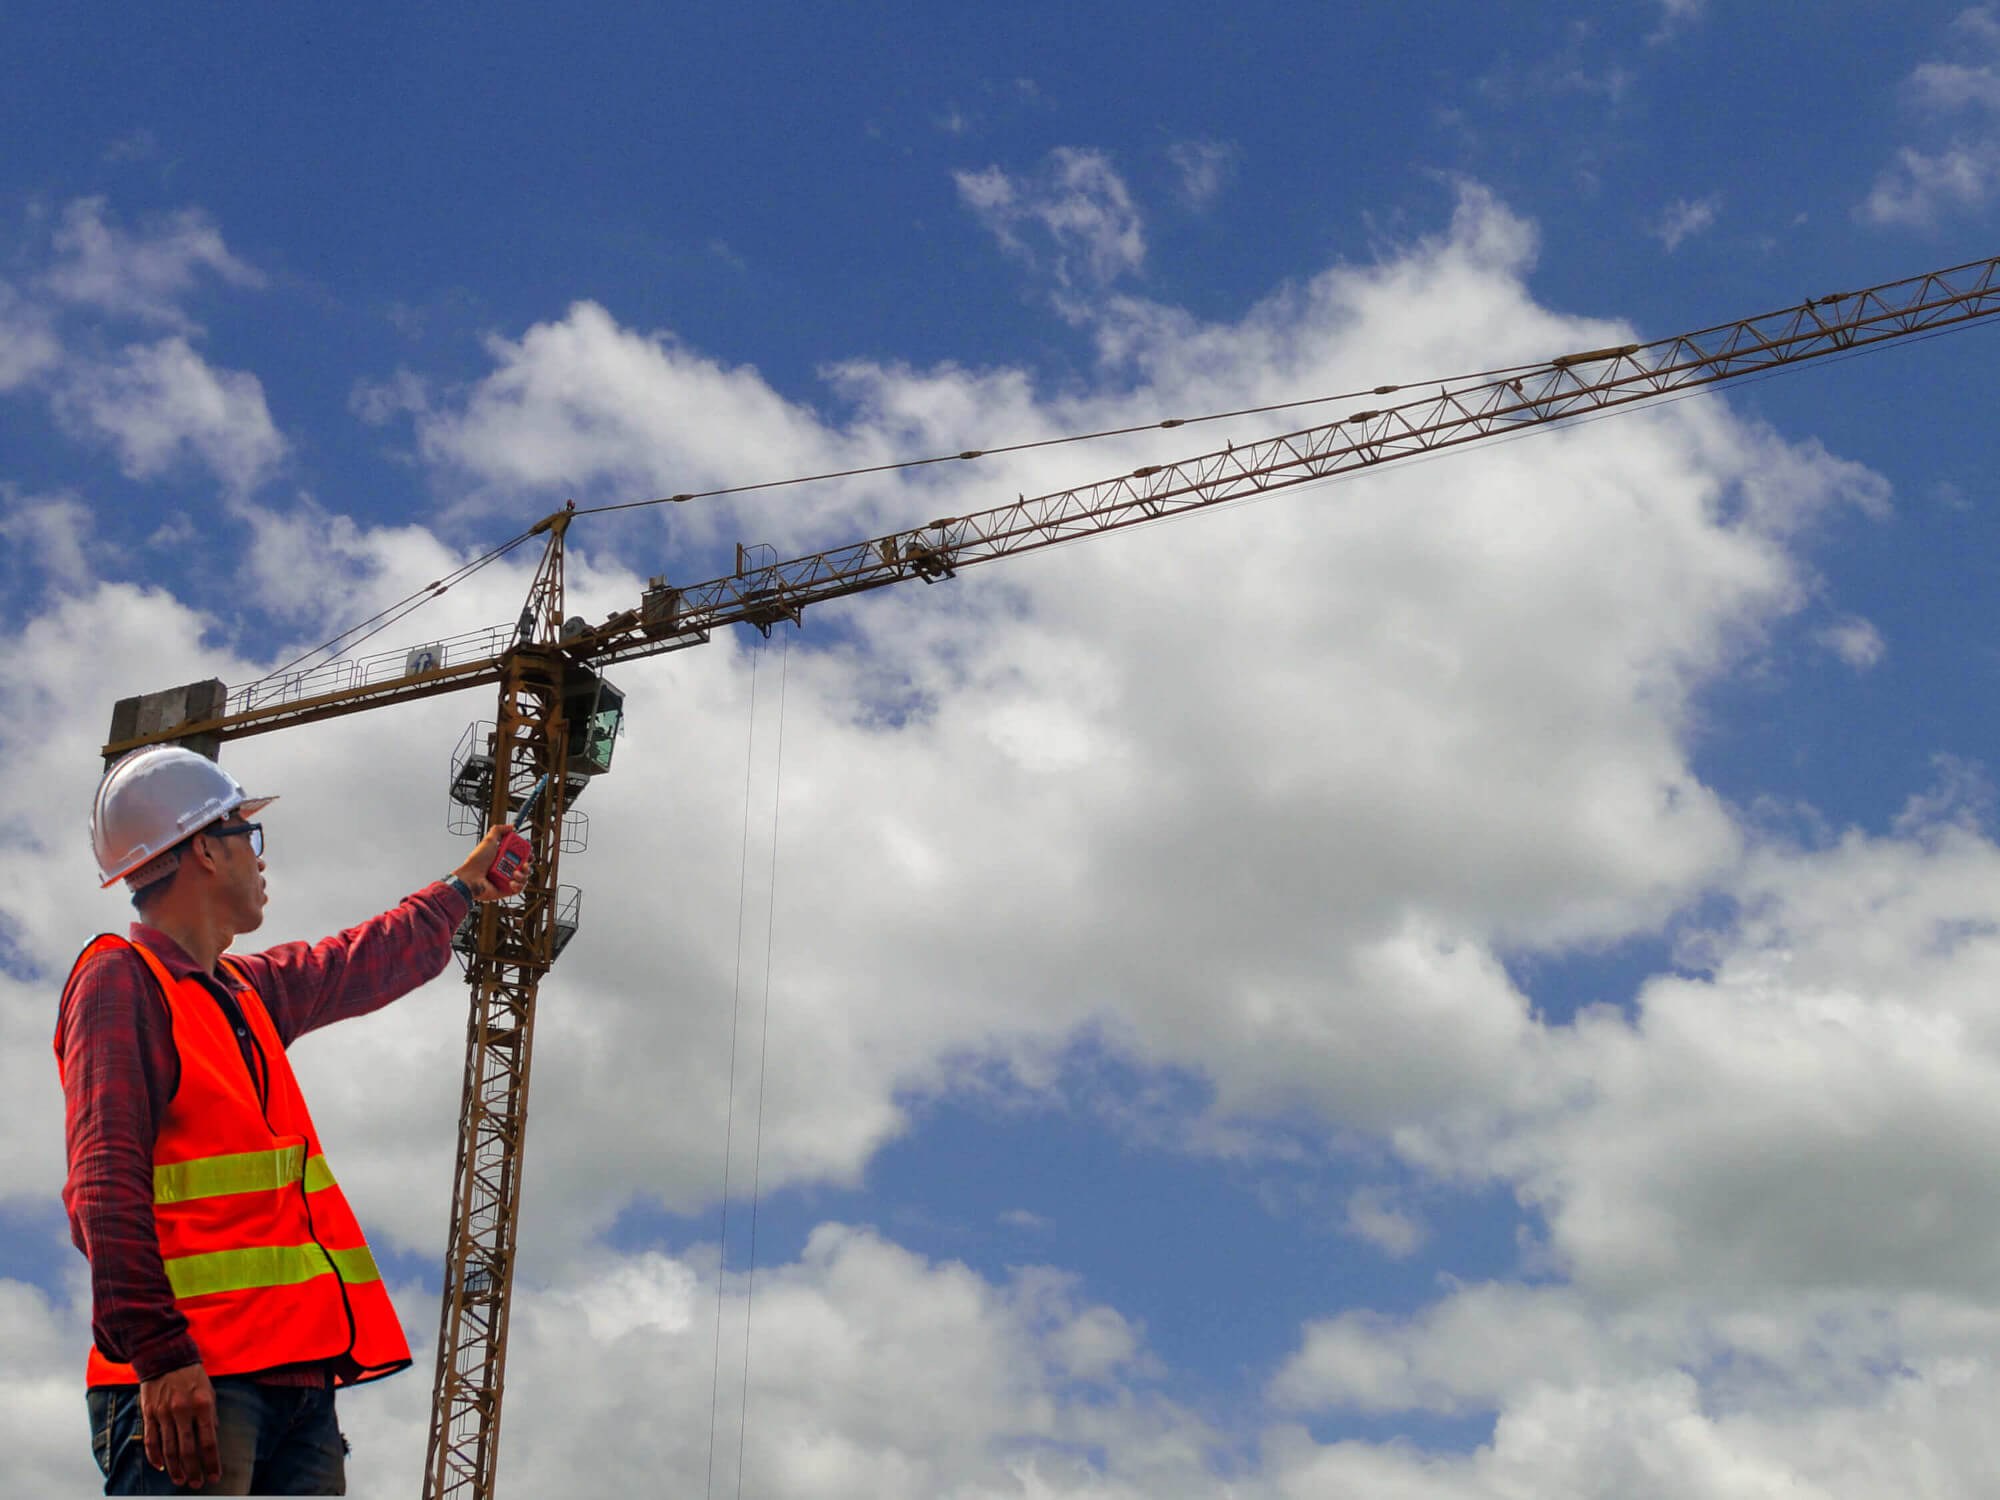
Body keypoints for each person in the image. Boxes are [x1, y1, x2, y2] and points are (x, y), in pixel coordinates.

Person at [56, 744, 535, 1494]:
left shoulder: (241, 991)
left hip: (294, 1383)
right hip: (194, 1381)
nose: (261, 858)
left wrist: (464, 887)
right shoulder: (121, 978)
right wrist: (160, 1355)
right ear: (207, 851)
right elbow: (103, 1184)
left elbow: (356, 960)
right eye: (250, 835)